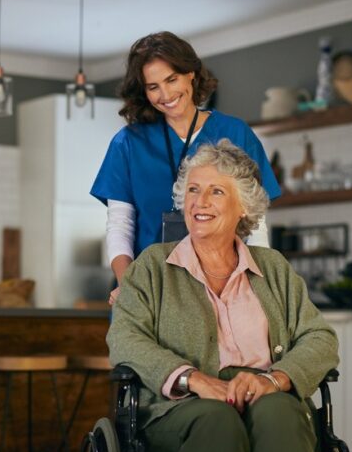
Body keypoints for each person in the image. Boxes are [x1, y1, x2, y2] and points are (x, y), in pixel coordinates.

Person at [108, 142, 338, 452]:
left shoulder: (272, 269)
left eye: (216, 192)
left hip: (263, 400)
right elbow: (125, 339)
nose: (200, 202)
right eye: (193, 190)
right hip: (182, 412)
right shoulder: (154, 266)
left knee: (281, 415)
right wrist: (192, 377)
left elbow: (321, 338)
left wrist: (275, 378)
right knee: (213, 422)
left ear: (243, 207)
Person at [90, 31, 282, 306]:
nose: (165, 94)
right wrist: (130, 286)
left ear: (191, 73)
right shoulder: (128, 143)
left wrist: (258, 285)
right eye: (153, 86)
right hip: (153, 288)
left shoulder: (236, 133)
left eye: (172, 79)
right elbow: (120, 224)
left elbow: (254, 220)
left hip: (225, 287)